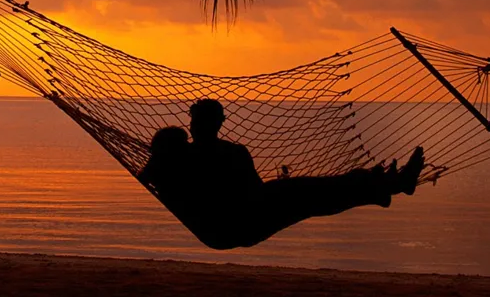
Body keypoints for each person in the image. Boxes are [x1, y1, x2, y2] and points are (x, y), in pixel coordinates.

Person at [143, 99, 426, 250]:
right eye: (194, 123)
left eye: (194, 122)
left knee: (312, 196)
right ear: (219, 123)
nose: (192, 128)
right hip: (238, 221)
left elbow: (151, 175)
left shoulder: (185, 158)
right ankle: (382, 185)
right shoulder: (199, 156)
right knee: (310, 194)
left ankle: (382, 185)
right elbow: (252, 189)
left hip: (240, 221)